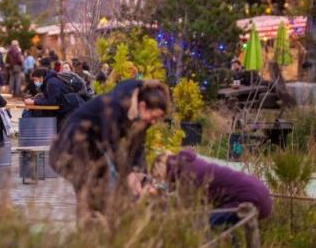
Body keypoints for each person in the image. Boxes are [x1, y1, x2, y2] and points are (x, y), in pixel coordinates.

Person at [49, 79, 170, 224]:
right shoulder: (115, 105)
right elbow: (111, 147)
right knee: (93, 197)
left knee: (105, 198)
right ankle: (92, 236)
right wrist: (128, 175)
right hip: (70, 150)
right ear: (143, 106)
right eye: (154, 117)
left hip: (93, 153)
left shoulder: (140, 116)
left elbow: (137, 149)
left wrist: (140, 176)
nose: (154, 122)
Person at [150, 150, 273, 227]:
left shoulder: (186, 173)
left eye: (159, 177)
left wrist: (158, 201)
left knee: (199, 225)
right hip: (258, 193)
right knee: (222, 225)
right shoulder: (186, 163)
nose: (162, 181)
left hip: (251, 199)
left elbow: (184, 205)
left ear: (163, 169)